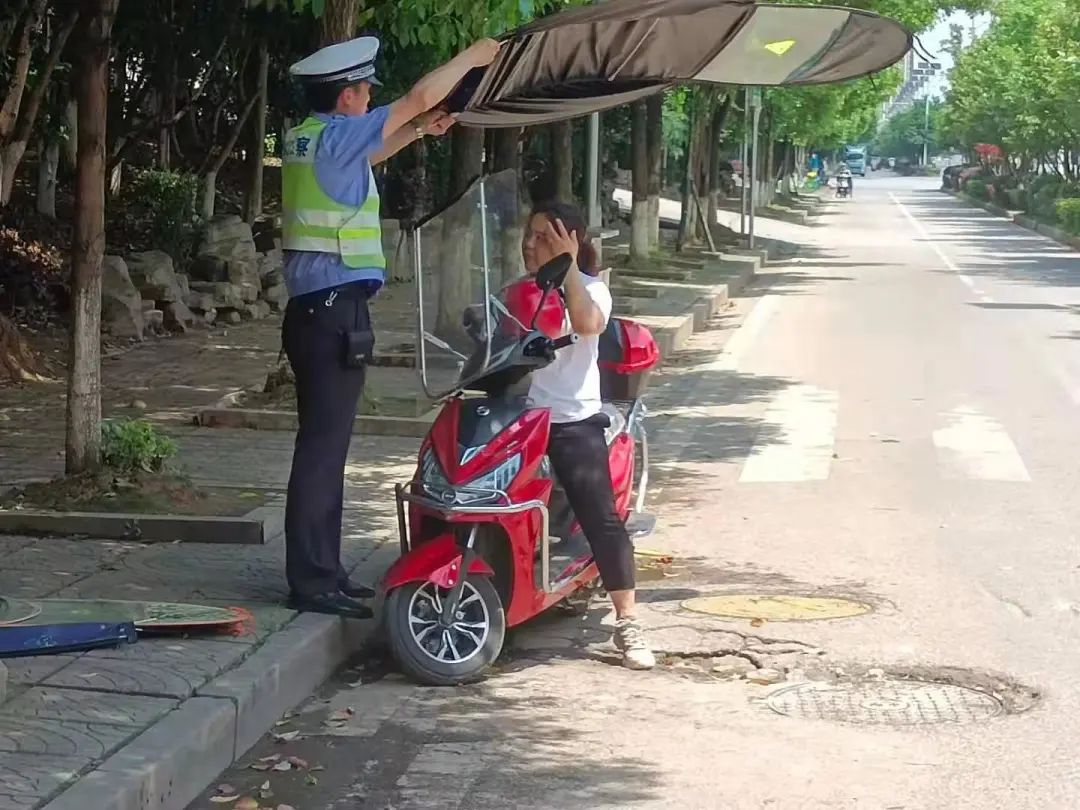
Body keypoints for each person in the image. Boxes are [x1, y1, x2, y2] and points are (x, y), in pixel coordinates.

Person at [281, 35, 501, 619]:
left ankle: (323, 572)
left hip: (317, 310)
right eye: (366, 89)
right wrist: (473, 58)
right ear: (348, 95)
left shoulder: (309, 137)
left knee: (325, 448)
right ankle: (311, 581)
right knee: (323, 451)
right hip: (331, 310)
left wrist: (419, 129)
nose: (372, 96)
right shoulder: (334, 135)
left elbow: (374, 152)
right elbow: (421, 92)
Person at [520, 200, 656, 670]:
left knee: (600, 518)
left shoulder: (593, 291)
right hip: (521, 418)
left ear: (571, 241)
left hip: (571, 421)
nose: (531, 245)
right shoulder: (520, 292)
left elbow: (587, 324)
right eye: (530, 235)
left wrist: (569, 268)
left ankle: (628, 621)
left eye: (544, 237)